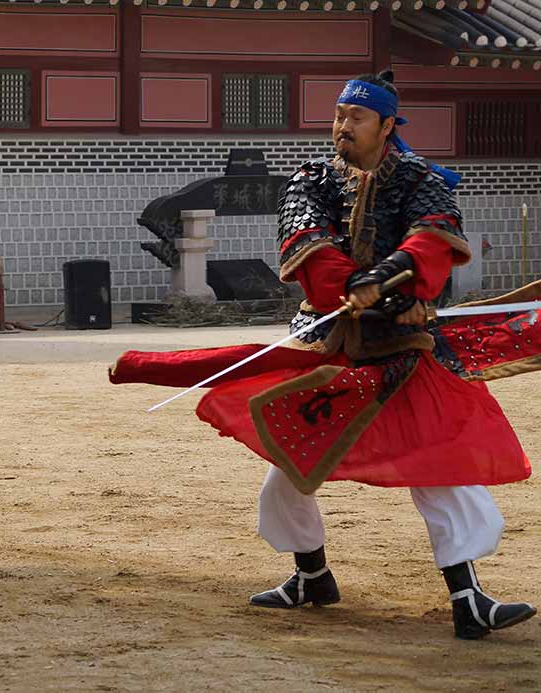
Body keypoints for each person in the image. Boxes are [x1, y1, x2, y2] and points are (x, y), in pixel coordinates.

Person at [111, 70, 540, 639]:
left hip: (406, 346)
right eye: (338, 116)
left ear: (387, 125)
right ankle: (311, 576)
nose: (342, 126)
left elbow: (432, 238)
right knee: (293, 461)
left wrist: (390, 281)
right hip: (328, 340)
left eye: (355, 117)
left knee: (440, 467)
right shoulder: (310, 180)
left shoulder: (422, 179)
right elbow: (307, 244)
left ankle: (468, 598)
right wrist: (353, 288)